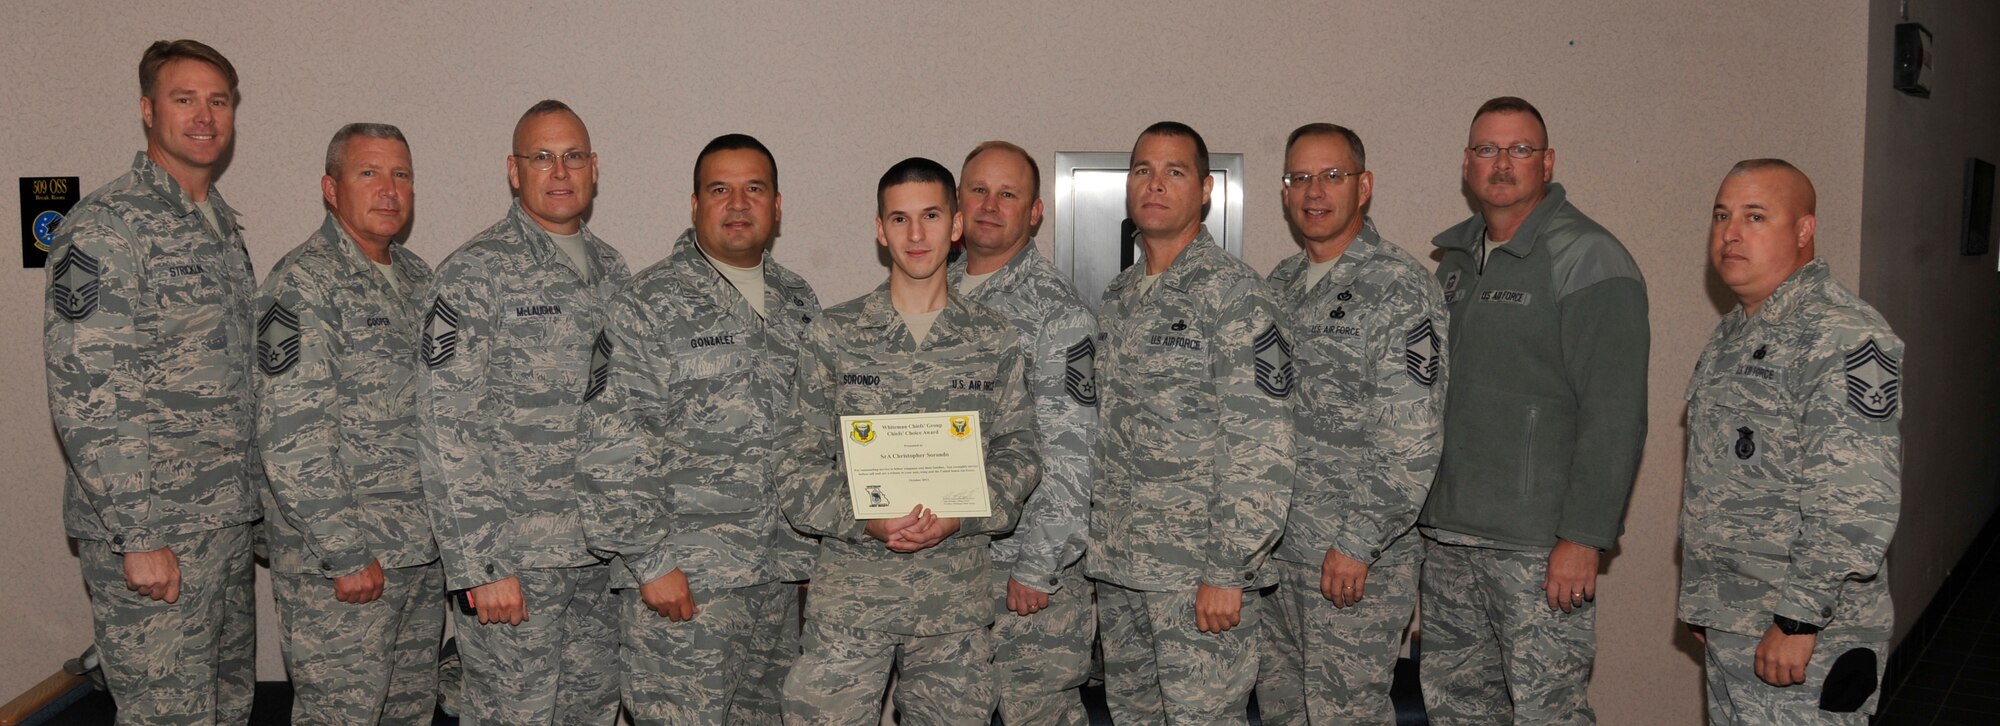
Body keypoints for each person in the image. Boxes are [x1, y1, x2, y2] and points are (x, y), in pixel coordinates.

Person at [777, 157, 1040, 725]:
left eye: (930, 216)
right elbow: (796, 462)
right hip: (852, 599)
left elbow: (1020, 452)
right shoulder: (835, 334)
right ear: (880, 230)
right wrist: (865, 518)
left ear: (957, 224)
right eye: (899, 219)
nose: (915, 234)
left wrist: (959, 515)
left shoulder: (993, 338)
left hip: (954, 603)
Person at [44, 39, 260, 725]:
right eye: (184, 99)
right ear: (147, 110)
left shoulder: (219, 226)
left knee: (228, 706)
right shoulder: (107, 228)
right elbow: (91, 392)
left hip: (221, 525)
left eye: (218, 101)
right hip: (155, 531)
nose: (204, 116)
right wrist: (138, 535)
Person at [1418, 96, 1649, 725]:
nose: (1502, 163)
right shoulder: (1455, 262)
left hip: (1537, 548)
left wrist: (1584, 537)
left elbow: (1615, 413)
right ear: (1467, 164)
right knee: (1458, 710)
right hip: (1449, 536)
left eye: (1519, 149)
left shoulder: (1589, 257)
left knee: (1548, 713)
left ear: (1546, 163)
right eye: (1487, 149)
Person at [578, 133, 821, 724]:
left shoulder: (799, 302)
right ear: (694, 205)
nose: (738, 204)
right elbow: (612, 443)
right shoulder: (646, 303)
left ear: (777, 205)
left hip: (780, 580)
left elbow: (818, 434)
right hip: (686, 582)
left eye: (754, 189)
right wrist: (650, 561)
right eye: (719, 189)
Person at [417, 99, 631, 725]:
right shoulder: (473, 274)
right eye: (542, 157)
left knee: (591, 713)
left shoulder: (614, 271)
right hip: (516, 562)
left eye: (572, 157)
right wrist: (481, 564)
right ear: (514, 171)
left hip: (600, 559)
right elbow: (444, 427)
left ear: (594, 168)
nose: (559, 171)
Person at [1088, 121, 1296, 723]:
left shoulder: (1236, 296)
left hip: (1198, 575)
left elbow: (1261, 444)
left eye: (1174, 172)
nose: (1155, 184)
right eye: (1143, 170)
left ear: (1205, 190)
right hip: (1122, 567)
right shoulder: (1119, 296)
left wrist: (1229, 569)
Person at [1680, 159, 1901, 724]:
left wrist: (1798, 619)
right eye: (1722, 216)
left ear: (1804, 230)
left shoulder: (1841, 333)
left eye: (1755, 216)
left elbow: (1856, 501)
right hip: (1737, 620)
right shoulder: (1734, 331)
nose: (1731, 233)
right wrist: (1710, 600)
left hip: (1807, 636)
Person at [1254, 123, 1446, 724]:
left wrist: (1357, 542)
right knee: (1283, 711)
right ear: (1285, 192)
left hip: (1353, 558)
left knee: (1345, 715)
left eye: (1332, 176)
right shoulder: (1279, 284)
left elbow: (1411, 437)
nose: (1314, 191)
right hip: (1278, 552)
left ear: (1363, 187)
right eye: (1300, 177)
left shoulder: (1399, 287)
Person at [255, 122, 441, 724]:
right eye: (369, 173)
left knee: (408, 713)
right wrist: (345, 552)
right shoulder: (302, 285)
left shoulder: (418, 279)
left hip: (417, 553)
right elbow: (291, 437)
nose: (389, 189)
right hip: (345, 563)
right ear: (331, 189)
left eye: (401, 174)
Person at [950, 140, 1099, 725]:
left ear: (1035, 213)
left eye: (1008, 194)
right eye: (978, 190)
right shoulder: (930, 292)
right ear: (958, 202)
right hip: (946, 564)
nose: (990, 205)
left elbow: (1073, 453)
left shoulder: (1057, 313)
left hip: (1022, 572)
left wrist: (1040, 565)